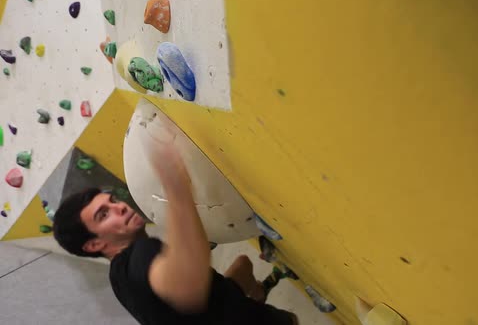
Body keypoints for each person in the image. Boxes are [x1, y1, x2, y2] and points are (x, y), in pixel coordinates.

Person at [52, 135, 298, 325]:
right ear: (94, 244)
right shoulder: (140, 255)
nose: (121, 208)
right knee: (289, 320)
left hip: (217, 305)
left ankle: (260, 290)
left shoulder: (118, 277)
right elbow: (186, 285)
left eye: (112, 202)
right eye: (104, 215)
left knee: (244, 265)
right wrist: (175, 184)